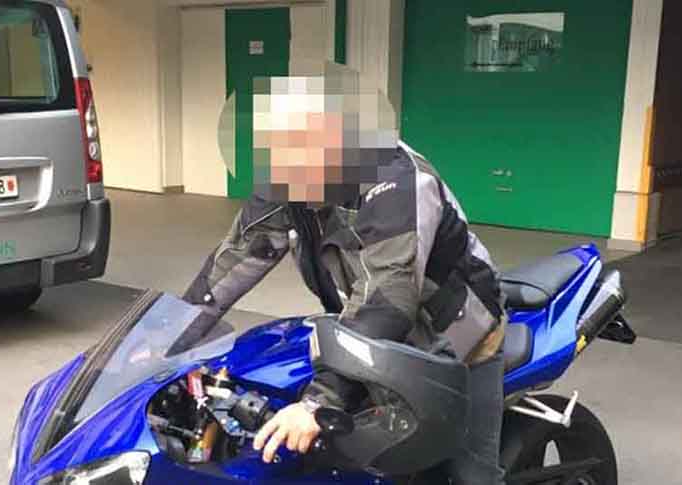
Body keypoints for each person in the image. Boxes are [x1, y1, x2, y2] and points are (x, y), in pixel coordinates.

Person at [183, 65, 507, 485]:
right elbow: (234, 263)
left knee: (470, 474)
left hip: (455, 331)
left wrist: (319, 402)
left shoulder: (397, 182)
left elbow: (388, 297)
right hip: (376, 334)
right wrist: (170, 339)